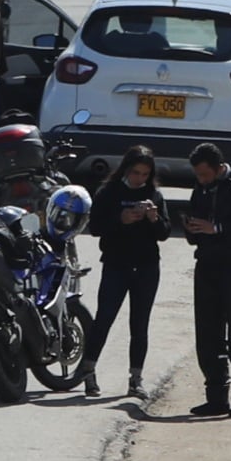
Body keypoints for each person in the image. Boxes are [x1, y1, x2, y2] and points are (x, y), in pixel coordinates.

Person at [180, 143, 231, 417]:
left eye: (205, 174)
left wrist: (216, 228)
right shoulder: (201, 189)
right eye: (198, 176)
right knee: (208, 334)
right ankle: (216, 397)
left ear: (218, 168)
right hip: (207, 266)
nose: (201, 180)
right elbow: (197, 230)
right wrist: (193, 228)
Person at [78, 146, 168, 399]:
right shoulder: (109, 192)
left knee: (140, 325)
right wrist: (120, 219)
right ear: (126, 169)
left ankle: (136, 379)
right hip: (117, 264)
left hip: (147, 267)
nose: (139, 178)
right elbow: (95, 227)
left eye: (144, 174)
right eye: (136, 172)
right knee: (104, 318)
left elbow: (164, 232)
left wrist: (153, 218)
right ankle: (88, 372)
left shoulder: (154, 195)